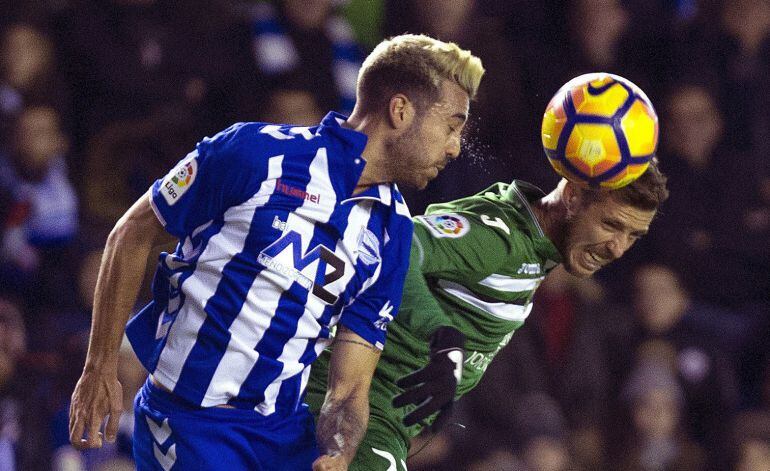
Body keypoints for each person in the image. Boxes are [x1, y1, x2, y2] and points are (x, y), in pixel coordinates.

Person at [68, 33, 484, 471]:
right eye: (451, 126)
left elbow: (349, 389)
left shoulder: (393, 231)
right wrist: (99, 365)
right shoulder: (255, 153)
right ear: (400, 111)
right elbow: (132, 233)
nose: (455, 147)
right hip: (187, 423)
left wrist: (339, 453)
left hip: (283, 435)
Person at [306, 160, 669, 470]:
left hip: (380, 418)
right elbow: (395, 248)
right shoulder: (500, 240)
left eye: (634, 235)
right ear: (572, 197)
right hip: (354, 409)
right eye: (611, 225)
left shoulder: (532, 248)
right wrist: (441, 334)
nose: (619, 248)